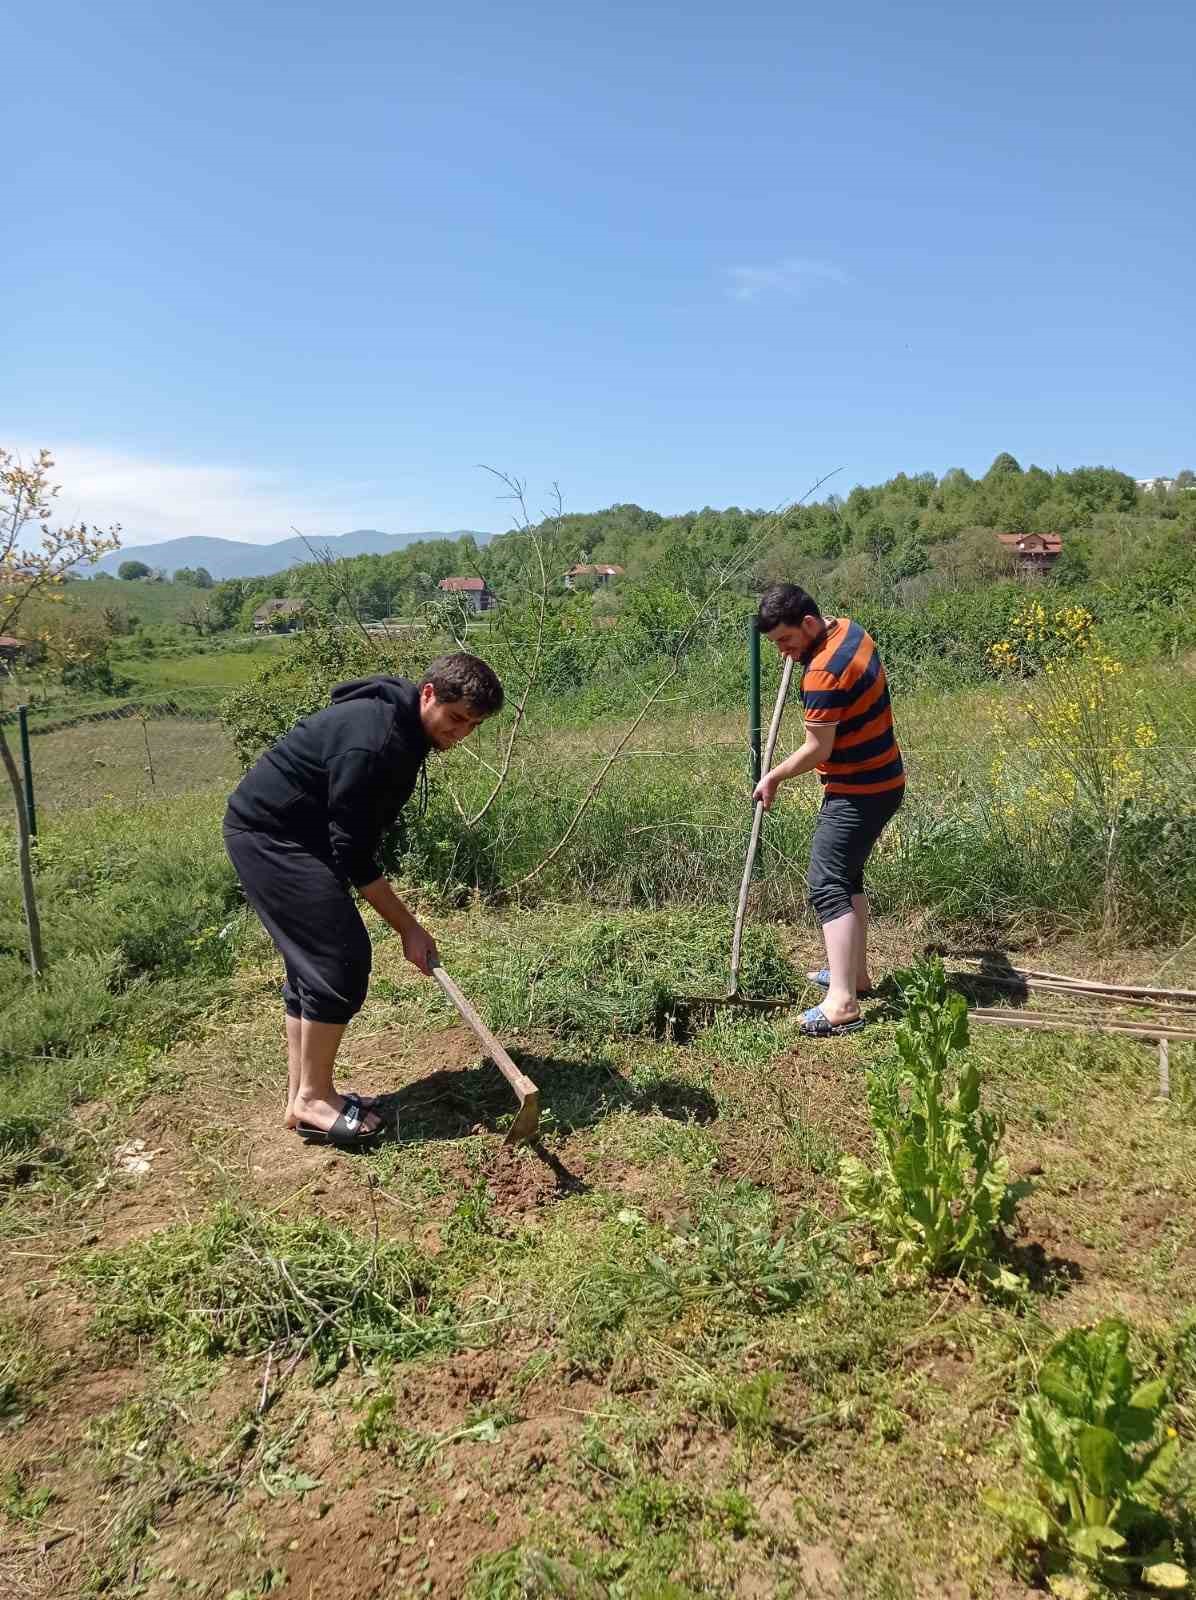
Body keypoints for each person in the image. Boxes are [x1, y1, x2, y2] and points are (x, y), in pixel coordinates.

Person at [223, 652, 504, 1147]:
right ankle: (314, 1098)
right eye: (457, 718)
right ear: (429, 694)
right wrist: (409, 928)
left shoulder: (400, 725)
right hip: (271, 837)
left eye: (473, 726)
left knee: (314, 967)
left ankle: (302, 1099)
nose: (461, 734)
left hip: (302, 833)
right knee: (339, 961)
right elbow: (353, 854)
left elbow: (350, 837)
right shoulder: (377, 743)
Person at [751, 584, 904, 1037]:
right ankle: (854, 976)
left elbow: (819, 748)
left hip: (859, 790)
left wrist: (773, 776)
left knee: (826, 883)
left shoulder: (822, 673)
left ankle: (842, 1004)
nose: (783, 651)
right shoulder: (850, 631)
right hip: (884, 780)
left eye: (786, 640)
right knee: (848, 876)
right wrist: (801, 652)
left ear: (810, 624)